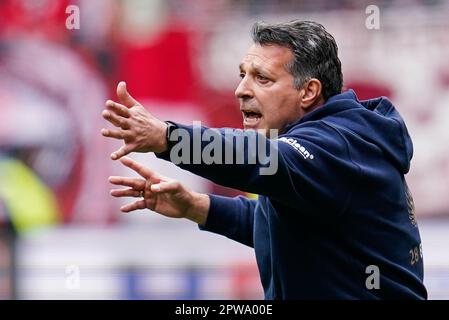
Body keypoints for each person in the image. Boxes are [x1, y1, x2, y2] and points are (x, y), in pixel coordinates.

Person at [101, 20, 427, 299]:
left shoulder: (337, 146)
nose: (241, 90)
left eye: (262, 79)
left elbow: (261, 159)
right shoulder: (327, 149)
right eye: (243, 75)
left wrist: (169, 138)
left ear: (308, 92)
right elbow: (279, 220)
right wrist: (197, 207)